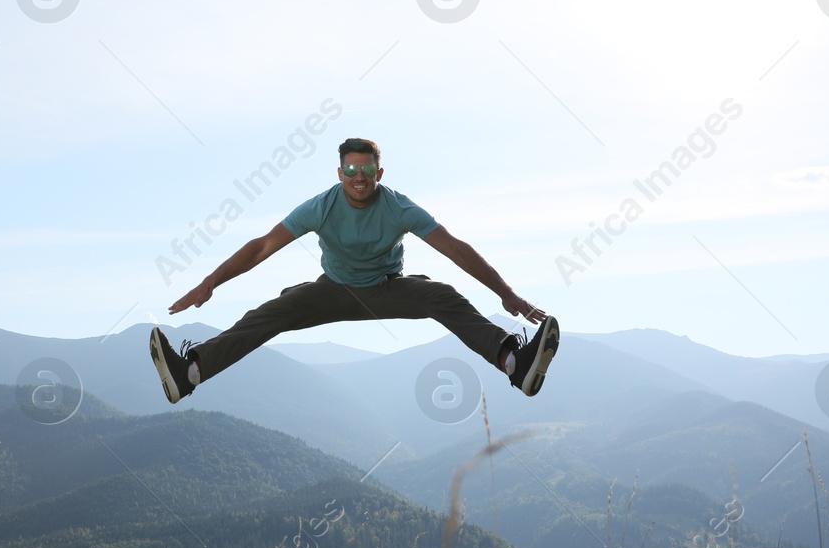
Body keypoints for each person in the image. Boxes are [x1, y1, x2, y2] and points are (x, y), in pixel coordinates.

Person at [150, 137, 558, 403]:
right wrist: (210, 283)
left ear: (378, 174)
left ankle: (514, 362)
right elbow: (261, 247)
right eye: (350, 170)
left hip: (387, 288)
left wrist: (506, 293)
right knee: (272, 313)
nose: (358, 177)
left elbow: (455, 249)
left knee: (443, 297)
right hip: (333, 290)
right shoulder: (321, 207)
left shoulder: (399, 208)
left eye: (366, 170)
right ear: (339, 173)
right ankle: (190, 372)